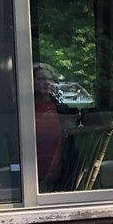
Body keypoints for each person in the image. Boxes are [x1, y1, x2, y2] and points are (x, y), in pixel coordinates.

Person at [33, 63, 65, 191]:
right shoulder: (25, 110)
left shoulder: (60, 109)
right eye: (40, 79)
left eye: (49, 79)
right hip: (29, 169)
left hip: (54, 169)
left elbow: (61, 143)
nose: (46, 82)